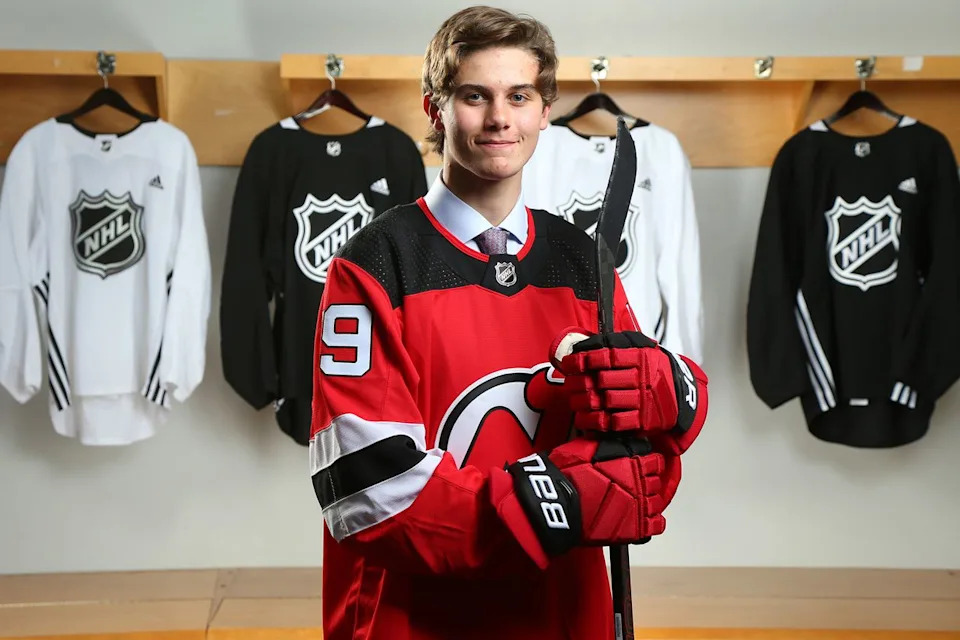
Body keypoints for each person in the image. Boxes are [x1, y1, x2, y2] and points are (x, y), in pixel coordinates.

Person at [308, 6, 709, 639]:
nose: (500, 118)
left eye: (519, 96)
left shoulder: (582, 260)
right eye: (475, 96)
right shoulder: (374, 263)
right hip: (412, 619)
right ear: (434, 109)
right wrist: (561, 502)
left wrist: (668, 402)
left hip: (564, 612)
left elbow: (635, 452)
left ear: (544, 111)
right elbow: (368, 491)